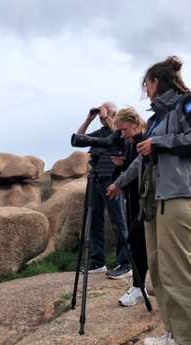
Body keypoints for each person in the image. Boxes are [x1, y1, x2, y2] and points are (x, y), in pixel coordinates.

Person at [107, 56, 191, 345]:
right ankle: (174, 334)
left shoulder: (190, 104)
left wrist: (160, 143)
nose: (145, 89)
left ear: (156, 82)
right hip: (153, 203)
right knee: (159, 271)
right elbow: (142, 161)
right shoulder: (156, 119)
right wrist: (118, 183)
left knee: (179, 273)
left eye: (147, 83)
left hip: (177, 199)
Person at [77, 102, 132, 279]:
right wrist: (89, 119)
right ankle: (97, 260)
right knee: (94, 220)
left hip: (113, 179)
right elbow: (79, 138)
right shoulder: (100, 133)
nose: (103, 115)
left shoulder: (120, 131)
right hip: (95, 178)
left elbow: (118, 132)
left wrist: (107, 116)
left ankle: (126, 262)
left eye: (108, 111)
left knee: (119, 221)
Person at [111, 107, 149, 306]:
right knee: (136, 243)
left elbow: (138, 172)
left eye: (124, 129)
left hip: (143, 202)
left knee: (139, 243)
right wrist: (119, 165)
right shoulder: (129, 144)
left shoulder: (143, 142)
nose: (122, 134)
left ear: (134, 124)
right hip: (132, 200)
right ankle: (139, 286)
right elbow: (127, 172)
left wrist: (119, 181)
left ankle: (139, 287)